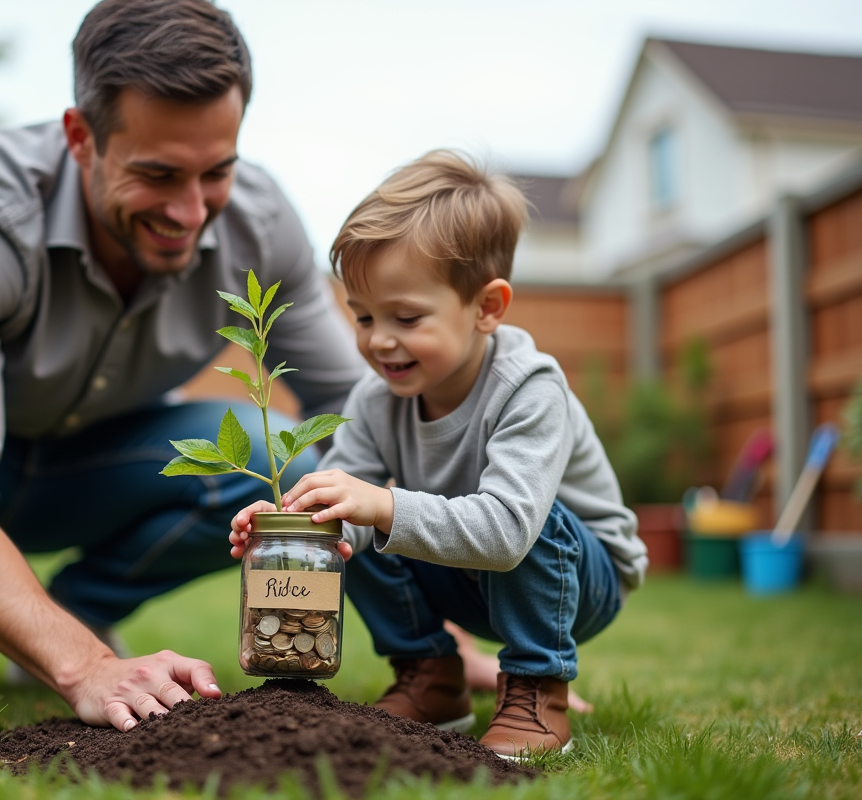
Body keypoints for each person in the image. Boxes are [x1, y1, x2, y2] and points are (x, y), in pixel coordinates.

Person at [0, 0, 365, 730]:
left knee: (276, 458)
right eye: (158, 174)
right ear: (80, 137)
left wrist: (428, 644)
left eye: (216, 171)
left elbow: (358, 412)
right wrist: (87, 669)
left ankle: (73, 611)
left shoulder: (259, 221)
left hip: (99, 470)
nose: (192, 211)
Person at [229, 150, 648, 758]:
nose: (378, 340)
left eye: (406, 316)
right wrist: (288, 531)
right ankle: (431, 675)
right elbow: (353, 510)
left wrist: (382, 504)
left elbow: (508, 533)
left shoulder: (530, 388)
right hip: (471, 573)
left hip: (575, 578)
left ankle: (537, 683)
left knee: (522, 517)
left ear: (486, 308)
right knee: (341, 520)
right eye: (364, 316)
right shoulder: (375, 400)